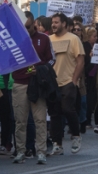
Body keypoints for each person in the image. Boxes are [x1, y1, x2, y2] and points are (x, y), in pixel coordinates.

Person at [11, 11, 53, 165]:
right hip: (19, 83)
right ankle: (20, 151)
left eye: (28, 26)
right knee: (20, 121)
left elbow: (51, 60)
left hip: (37, 84)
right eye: (23, 27)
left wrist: (40, 70)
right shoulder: (14, 40)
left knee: (40, 120)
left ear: (34, 23)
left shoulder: (44, 39)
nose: (26, 30)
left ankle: (41, 152)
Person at [48, 13, 84, 152]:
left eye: (56, 22)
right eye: (52, 22)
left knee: (68, 109)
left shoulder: (73, 39)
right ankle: (57, 143)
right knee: (55, 113)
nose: (53, 25)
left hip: (68, 81)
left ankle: (75, 135)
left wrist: (74, 80)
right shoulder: (49, 39)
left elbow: (80, 60)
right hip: (53, 83)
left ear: (64, 24)